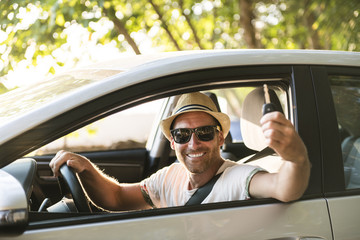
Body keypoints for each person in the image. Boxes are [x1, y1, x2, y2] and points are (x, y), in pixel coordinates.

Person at [49, 92, 311, 211]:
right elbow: (116, 198)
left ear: (220, 137)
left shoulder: (240, 177)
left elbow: (284, 187)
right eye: (182, 135)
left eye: (205, 133)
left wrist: (296, 157)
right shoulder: (168, 177)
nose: (193, 144)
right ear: (172, 142)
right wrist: (85, 168)